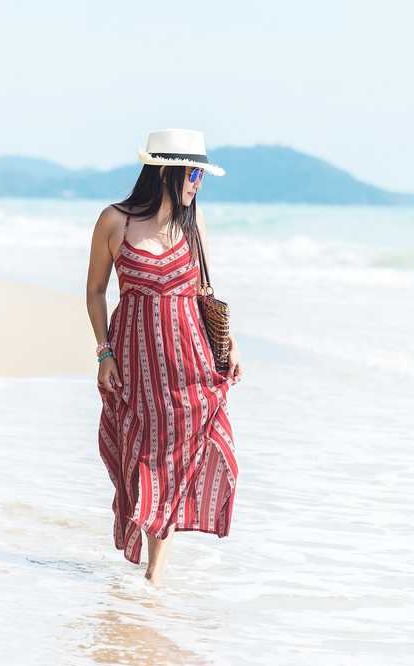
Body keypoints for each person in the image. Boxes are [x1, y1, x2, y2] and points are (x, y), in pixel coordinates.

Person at [85, 129, 242, 585]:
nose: (198, 183)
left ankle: (156, 574)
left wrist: (230, 346)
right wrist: (104, 353)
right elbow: (95, 290)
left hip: (190, 362)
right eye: (193, 173)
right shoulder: (114, 221)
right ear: (167, 173)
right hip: (133, 361)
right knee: (140, 458)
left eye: (201, 175)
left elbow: (205, 290)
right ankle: (150, 564)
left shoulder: (193, 224)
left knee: (195, 457)